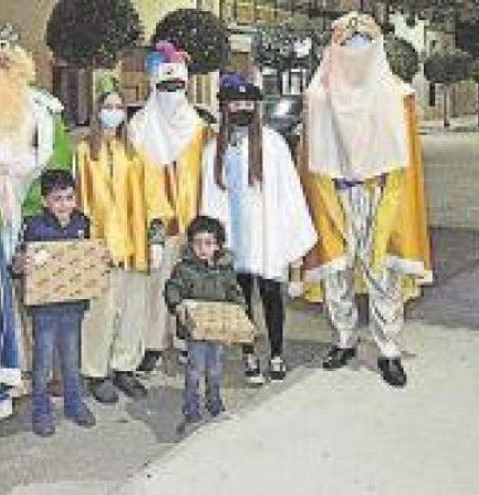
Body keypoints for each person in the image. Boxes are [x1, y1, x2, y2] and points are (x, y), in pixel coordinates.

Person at [299, 12, 432, 388]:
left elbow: (408, 160)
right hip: (333, 194)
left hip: (380, 191)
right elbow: (308, 156)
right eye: (348, 44)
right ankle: (343, 340)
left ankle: (388, 349)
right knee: (336, 272)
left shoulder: (397, 95)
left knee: (383, 272)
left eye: (365, 44)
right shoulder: (318, 97)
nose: (356, 52)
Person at [0, 24, 73, 416]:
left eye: (8, 60)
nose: (1, 67)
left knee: (40, 302)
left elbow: (59, 165)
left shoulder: (44, 111)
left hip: (32, 214)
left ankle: (42, 375)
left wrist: (46, 213)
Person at [200, 73, 317, 385]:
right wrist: (210, 246)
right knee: (241, 300)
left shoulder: (274, 145)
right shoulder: (213, 151)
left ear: (256, 107)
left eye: (247, 103)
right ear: (225, 108)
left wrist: (295, 253)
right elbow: (209, 201)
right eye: (235, 103)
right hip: (232, 242)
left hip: (266, 239)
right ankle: (248, 353)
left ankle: (277, 353)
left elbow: (291, 194)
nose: (241, 108)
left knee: (271, 297)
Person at [129, 40, 211, 373]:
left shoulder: (200, 130)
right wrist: (152, 230)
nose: (172, 91)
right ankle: (152, 344)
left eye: (178, 85)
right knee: (155, 289)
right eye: (166, 86)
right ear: (154, 85)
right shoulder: (138, 130)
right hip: (157, 226)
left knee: (192, 285)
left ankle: (187, 339)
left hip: (194, 225)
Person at [75, 75, 150, 403]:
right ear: (97, 111)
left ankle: (125, 368)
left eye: (119, 108)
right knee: (99, 313)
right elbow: (76, 200)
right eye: (108, 107)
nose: (114, 112)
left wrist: (155, 238)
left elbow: (149, 199)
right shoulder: (83, 152)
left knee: (132, 310)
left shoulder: (134, 154)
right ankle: (96, 371)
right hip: (98, 245)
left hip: (133, 245)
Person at [15, 170, 96, 436]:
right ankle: (41, 408)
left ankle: (74, 402)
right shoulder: (34, 226)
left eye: (70, 198)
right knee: (43, 360)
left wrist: (99, 262)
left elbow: (89, 258)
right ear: (44, 201)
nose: (65, 204)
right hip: (45, 310)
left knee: (72, 358)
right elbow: (18, 262)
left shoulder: (83, 222)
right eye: (57, 199)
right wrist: (21, 264)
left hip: (73, 305)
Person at [164, 216, 246, 434]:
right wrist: (177, 304)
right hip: (196, 332)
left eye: (208, 243)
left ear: (218, 245)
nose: (202, 248)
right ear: (191, 244)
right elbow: (172, 288)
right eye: (198, 243)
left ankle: (214, 402)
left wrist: (239, 310)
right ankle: (190, 408)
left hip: (217, 330)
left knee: (215, 369)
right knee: (194, 369)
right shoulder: (184, 269)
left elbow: (234, 292)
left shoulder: (225, 269)